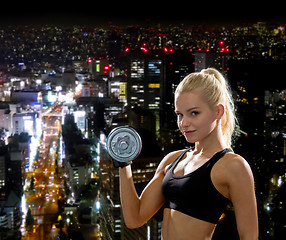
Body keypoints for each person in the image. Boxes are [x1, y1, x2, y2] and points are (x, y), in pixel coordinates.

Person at [117, 68, 258, 240]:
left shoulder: (233, 166)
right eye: (179, 114)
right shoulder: (172, 160)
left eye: (194, 113)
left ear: (218, 111)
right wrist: (124, 162)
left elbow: (249, 236)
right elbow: (134, 218)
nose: (184, 123)